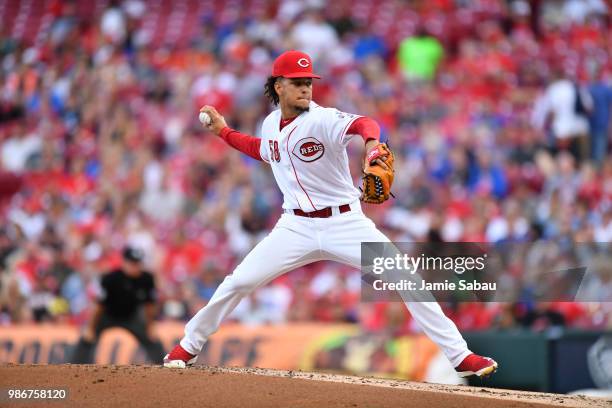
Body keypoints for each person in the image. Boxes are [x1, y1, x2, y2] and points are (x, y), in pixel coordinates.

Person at [163, 50, 498, 378]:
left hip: (345, 223)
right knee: (239, 281)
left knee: (406, 279)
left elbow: (365, 123)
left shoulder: (322, 118)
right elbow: (262, 150)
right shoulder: (270, 124)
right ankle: (189, 346)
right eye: (296, 82)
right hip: (294, 226)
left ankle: (461, 356)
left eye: (308, 81)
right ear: (278, 86)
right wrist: (223, 131)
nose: (305, 88)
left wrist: (370, 144)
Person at [71, 246, 165, 364]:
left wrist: (150, 326)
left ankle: (165, 367)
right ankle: (74, 365)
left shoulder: (146, 279)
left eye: (138, 263)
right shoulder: (111, 279)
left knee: (152, 338)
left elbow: (149, 305)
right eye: (132, 263)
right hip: (107, 315)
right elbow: (99, 306)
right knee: (87, 337)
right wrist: (91, 327)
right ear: (124, 262)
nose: (135, 266)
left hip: (131, 316)